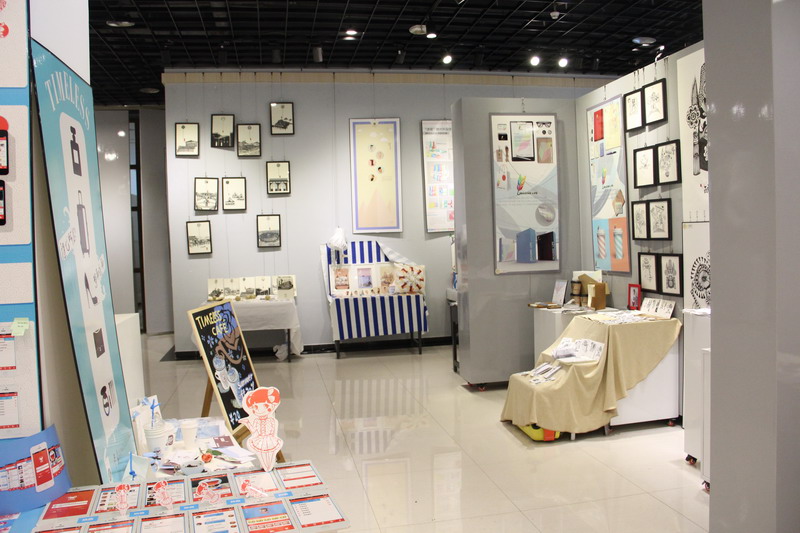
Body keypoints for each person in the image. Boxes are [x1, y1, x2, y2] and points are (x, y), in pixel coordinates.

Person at [239, 387, 283, 472]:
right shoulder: (256, 421)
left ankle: (268, 467)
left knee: (271, 455)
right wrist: (247, 423)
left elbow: (273, 432)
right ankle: (266, 467)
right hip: (260, 440)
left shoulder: (272, 420)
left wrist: (271, 437)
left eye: (265, 406)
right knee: (262, 455)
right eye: (255, 407)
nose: (259, 410)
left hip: (270, 439)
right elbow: (254, 432)